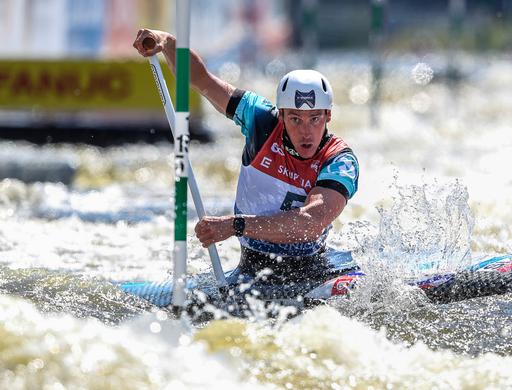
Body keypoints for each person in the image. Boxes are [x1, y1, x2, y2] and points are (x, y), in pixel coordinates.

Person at [133, 29, 360, 283]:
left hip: (312, 272)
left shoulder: (340, 160)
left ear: (328, 116)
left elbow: (310, 223)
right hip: (251, 268)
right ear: (281, 115)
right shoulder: (261, 119)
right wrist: (166, 42)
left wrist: (234, 225)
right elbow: (201, 80)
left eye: (314, 119)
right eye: (295, 119)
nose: (306, 131)